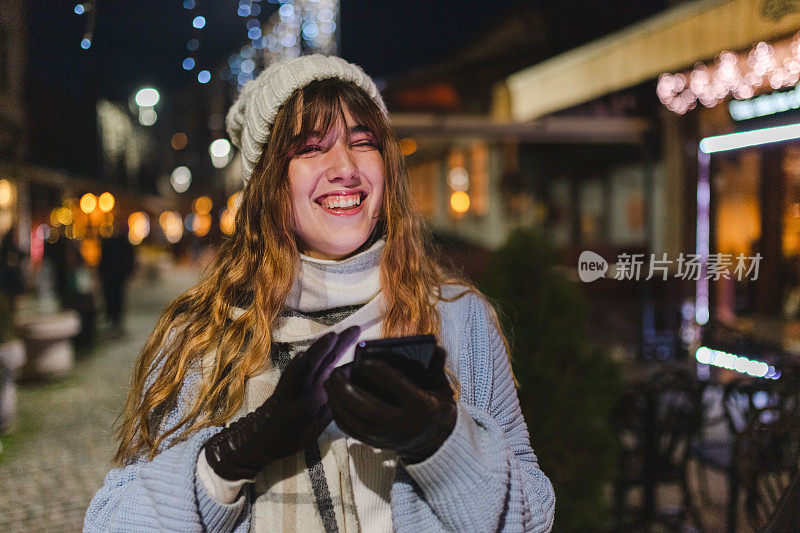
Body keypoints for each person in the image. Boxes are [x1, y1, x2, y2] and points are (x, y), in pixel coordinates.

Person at [85, 55, 555, 532]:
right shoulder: (204, 335)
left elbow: (533, 516)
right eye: (311, 147)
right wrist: (230, 457)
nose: (345, 167)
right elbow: (114, 523)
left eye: (363, 142)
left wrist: (444, 444)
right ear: (269, 182)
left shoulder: (458, 320)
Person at [98, 223, 135, 335]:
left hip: (118, 276)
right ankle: (113, 320)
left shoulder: (122, 243)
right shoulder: (108, 243)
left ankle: (116, 321)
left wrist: (127, 272)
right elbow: (102, 261)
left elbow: (130, 259)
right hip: (110, 277)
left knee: (117, 299)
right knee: (110, 299)